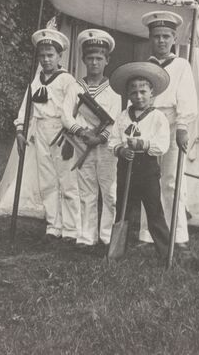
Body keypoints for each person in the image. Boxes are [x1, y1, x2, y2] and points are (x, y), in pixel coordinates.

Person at [138, 11, 199, 248]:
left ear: (174, 38)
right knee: (148, 180)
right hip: (149, 123)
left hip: (173, 124)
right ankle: (147, 233)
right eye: (156, 36)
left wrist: (182, 127)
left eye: (166, 36)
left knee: (172, 180)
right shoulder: (145, 66)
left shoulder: (181, 65)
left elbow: (186, 98)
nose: (161, 41)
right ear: (150, 39)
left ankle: (177, 233)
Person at [14, 29, 80, 242]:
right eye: (42, 55)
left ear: (60, 56)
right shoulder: (35, 81)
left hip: (61, 132)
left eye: (50, 55)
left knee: (67, 180)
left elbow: (75, 109)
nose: (46, 59)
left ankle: (71, 228)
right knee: (47, 181)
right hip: (40, 130)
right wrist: (20, 130)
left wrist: (71, 136)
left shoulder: (67, 80)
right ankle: (54, 225)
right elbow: (26, 107)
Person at [62, 29, 121, 248]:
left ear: (107, 60)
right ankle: (87, 236)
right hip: (82, 142)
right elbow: (65, 115)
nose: (94, 62)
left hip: (105, 147)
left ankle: (106, 237)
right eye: (90, 58)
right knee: (86, 191)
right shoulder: (75, 87)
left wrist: (101, 137)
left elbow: (117, 119)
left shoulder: (115, 90)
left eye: (99, 58)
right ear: (84, 60)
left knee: (109, 192)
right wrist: (81, 131)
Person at [108, 62, 171, 259]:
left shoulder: (158, 117)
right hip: (126, 168)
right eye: (133, 92)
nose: (139, 96)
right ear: (128, 94)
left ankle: (166, 254)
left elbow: (162, 145)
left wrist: (142, 144)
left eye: (143, 91)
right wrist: (121, 150)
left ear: (152, 92)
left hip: (147, 170)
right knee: (123, 211)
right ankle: (116, 252)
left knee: (154, 212)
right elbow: (113, 141)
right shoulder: (122, 117)